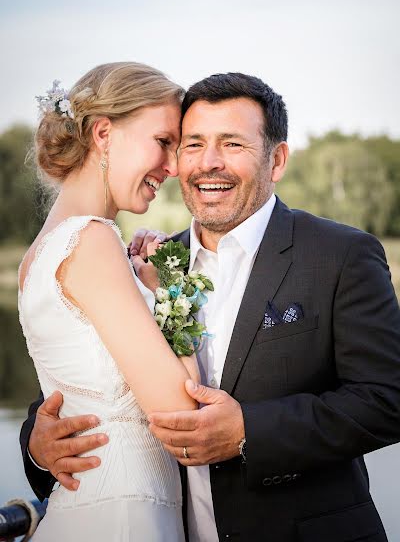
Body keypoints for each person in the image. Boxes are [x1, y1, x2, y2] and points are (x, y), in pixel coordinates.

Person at [21, 73, 400, 541]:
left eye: (233, 144)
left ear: (276, 159)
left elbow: (387, 398)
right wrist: (37, 448)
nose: (208, 163)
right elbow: (81, 387)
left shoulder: (340, 255)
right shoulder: (148, 266)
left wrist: (249, 431)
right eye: (192, 143)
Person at [17, 62, 201, 541]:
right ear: (103, 133)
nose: (175, 166)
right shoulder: (93, 242)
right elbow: (179, 410)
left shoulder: (40, 252)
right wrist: (170, 286)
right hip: (126, 515)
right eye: (163, 142)